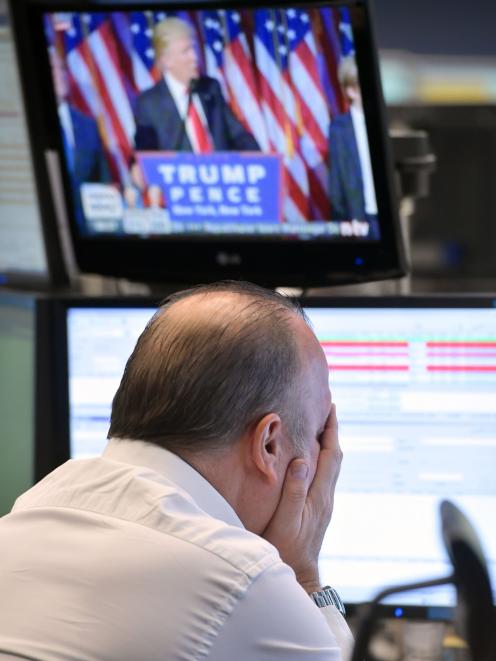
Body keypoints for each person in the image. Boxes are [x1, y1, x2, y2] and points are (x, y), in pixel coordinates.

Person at [0, 281, 352, 660]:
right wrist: (303, 575)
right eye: (321, 434)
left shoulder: (29, 512)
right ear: (268, 444)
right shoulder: (244, 578)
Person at [134, 18, 260, 152]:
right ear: (166, 60)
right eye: (185, 51)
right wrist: (135, 165)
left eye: (193, 49)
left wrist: (260, 159)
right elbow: (144, 153)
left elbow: (238, 135)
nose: (194, 57)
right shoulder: (149, 103)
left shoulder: (210, 88)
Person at [328, 56, 378, 231]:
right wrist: (346, 220)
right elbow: (337, 182)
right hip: (358, 220)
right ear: (352, 91)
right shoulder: (339, 129)